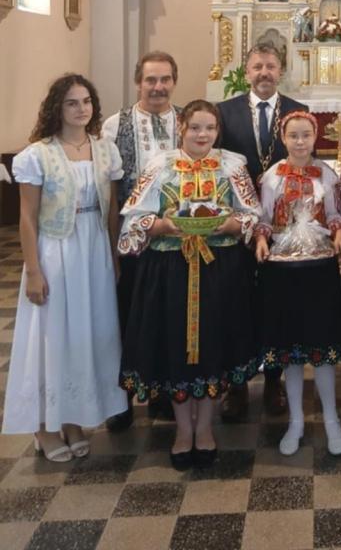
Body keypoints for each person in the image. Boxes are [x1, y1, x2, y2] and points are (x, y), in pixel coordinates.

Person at [118, 100, 261, 470]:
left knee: (213, 344)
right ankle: (183, 431)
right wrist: (164, 226)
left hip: (220, 270)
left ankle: (206, 428)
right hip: (170, 269)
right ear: (182, 126)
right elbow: (134, 218)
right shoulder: (160, 165)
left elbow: (251, 216)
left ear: (218, 130)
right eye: (195, 127)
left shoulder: (233, 165)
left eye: (210, 128)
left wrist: (229, 225)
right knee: (176, 348)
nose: (202, 135)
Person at [3, 75, 126, 460]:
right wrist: (33, 270)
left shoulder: (105, 150)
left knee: (88, 332)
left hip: (94, 249)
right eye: (72, 102)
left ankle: (74, 419)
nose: (81, 109)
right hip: (55, 250)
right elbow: (27, 217)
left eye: (86, 101)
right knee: (53, 334)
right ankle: (44, 425)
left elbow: (111, 209)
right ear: (57, 107)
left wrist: (113, 255)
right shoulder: (38, 154)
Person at [218, 42, 307, 419]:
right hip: (236, 224)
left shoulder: (297, 110)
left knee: (277, 303)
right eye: (257, 66)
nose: (264, 73)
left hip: (281, 223)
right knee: (236, 303)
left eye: (270, 66)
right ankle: (237, 385)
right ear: (247, 71)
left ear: (280, 70)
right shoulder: (224, 112)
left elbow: (304, 165)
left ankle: (274, 382)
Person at [256, 111, 341, 456]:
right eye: (293, 136)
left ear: (315, 137)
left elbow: (336, 213)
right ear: (284, 138)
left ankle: (331, 418)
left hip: (319, 267)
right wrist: (262, 239)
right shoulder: (272, 176)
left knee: (321, 348)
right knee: (291, 350)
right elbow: (263, 217)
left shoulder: (326, 173)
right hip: (283, 268)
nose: (299, 142)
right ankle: (295, 420)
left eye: (305, 135)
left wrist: (339, 234)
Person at [102, 50, 181, 431]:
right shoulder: (114, 125)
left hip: (176, 241)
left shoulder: (186, 121)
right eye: (151, 79)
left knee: (167, 317)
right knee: (127, 317)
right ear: (138, 82)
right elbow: (107, 189)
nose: (158, 87)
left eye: (165, 79)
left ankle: (163, 392)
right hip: (131, 240)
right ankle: (122, 398)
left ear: (174, 82)